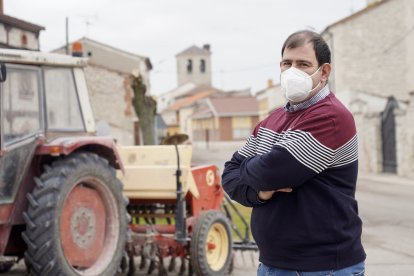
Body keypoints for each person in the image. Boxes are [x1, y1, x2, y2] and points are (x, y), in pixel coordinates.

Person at [221, 30, 366, 276]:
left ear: (324, 71)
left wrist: (258, 171)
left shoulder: (330, 117)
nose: (292, 71)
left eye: (303, 64)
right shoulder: (273, 120)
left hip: (322, 268)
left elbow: (273, 170)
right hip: (272, 264)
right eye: (287, 64)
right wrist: (262, 191)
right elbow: (229, 175)